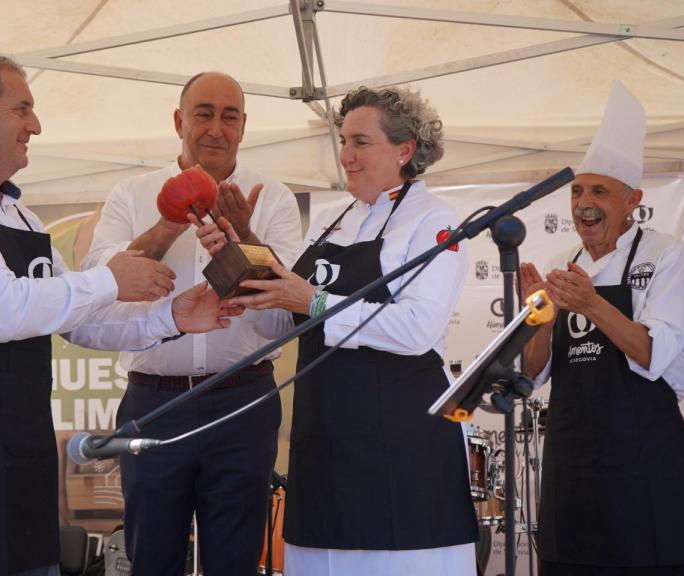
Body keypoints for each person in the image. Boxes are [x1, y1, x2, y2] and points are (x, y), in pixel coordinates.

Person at [0, 52, 238, 576]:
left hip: (15, 430)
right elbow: (1, 310)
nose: (36, 125)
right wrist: (112, 278)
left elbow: (77, 318)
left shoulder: (16, 211)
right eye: (23, 109)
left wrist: (173, 317)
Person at [201, 85, 478, 575]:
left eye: (360, 142)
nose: (345, 156)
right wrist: (243, 249)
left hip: (400, 445)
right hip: (325, 440)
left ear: (405, 150)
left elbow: (416, 328)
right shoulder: (332, 220)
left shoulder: (433, 218)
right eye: (342, 141)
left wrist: (312, 299)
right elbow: (281, 322)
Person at [79, 70, 302, 576]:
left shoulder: (273, 198)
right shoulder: (131, 194)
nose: (215, 129)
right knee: (152, 557)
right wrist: (171, 217)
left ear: (244, 126)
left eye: (229, 117)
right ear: (179, 120)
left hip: (242, 399)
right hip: (155, 402)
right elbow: (100, 284)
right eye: (203, 114)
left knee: (237, 558)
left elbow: (284, 315)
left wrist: (243, 234)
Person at [521, 82, 684, 575]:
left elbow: (655, 352)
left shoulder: (665, 255)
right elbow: (532, 372)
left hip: (646, 456)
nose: (584, 203)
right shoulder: (559, 263)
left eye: (599, 191)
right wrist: (537, 321)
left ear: (632, 199)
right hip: (573, 458)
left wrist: (590, 304)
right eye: (577, 191)